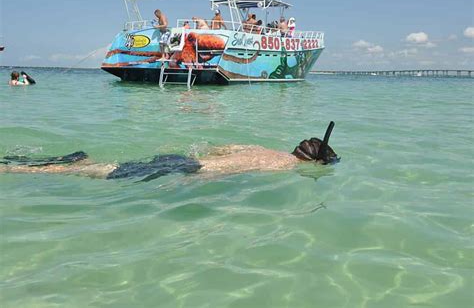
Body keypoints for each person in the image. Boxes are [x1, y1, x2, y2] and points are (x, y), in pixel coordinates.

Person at [0, 122, 339, 182]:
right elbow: (229, 173)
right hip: (187, 170)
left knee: (103, 167)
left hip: (182, 159)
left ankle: (57, 164)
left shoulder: (262, 148)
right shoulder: (282, 167)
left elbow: (218, 150)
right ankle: (17, 170)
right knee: (98, 173)